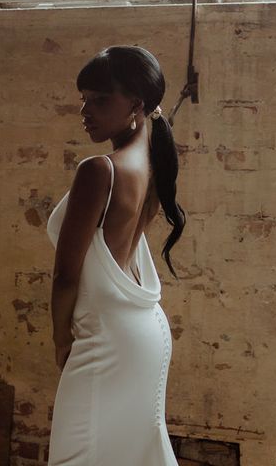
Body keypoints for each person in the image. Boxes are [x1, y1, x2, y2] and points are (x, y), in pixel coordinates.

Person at [46, 45, 186, 466]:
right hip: (146, 334)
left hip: (106, 341)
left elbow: (66, 276)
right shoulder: (153, 165)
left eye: (100, 100)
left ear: (136, 105)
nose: (85, 111)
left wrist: (61, 339)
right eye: (84, 99)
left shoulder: (99, 170)